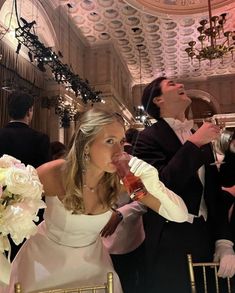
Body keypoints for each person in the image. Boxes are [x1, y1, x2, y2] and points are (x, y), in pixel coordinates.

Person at [3, 109, 188, 293]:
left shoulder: (120, 180)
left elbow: (179, 215)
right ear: (86, 145)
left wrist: (153, 183)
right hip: (42, 267)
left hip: (94, 268)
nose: (119, 151)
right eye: (110, 141)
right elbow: (5, 202)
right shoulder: (58, 174)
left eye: (121, 142)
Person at [133, 77, 235, 293]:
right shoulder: (147, 138)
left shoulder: (195, 134)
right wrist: (194, 143)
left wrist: (224, 241)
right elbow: (159, 187)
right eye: (172, 84)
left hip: (205, 235)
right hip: (169, 239)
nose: (181, 86)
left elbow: (213, 194)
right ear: (158, 100)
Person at [0, 91, 51, 261]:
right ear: (30, 111)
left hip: (1, 206)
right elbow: (46, 177)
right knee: (26, 256)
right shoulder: (40, 139)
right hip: (31, 209)